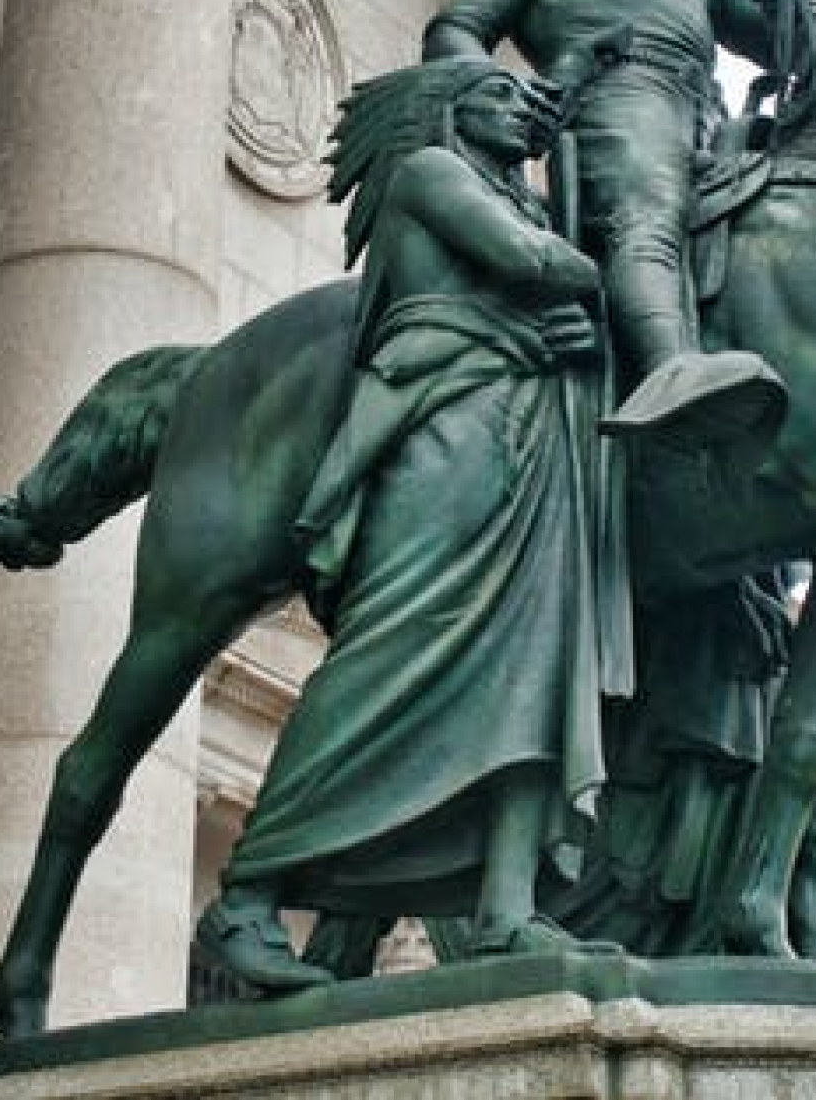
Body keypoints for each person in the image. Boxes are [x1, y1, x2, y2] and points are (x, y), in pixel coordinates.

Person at [199, 60, 627, 989]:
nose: (520, 110)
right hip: (444, 429)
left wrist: (568, 323)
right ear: (448, 111)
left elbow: (547, 280)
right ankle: (248, 895)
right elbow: (533, 263)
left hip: (529, 444)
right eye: (499, 96)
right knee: (386, 652)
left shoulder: (515, 195)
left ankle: (506, 907)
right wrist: (612, 260)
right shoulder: (431, 173)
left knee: (535, 673)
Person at [423, 0, 787, 447]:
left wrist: (790, 9)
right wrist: (505, 92)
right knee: (644, 218)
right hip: (615, 97)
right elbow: (455, 31)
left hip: (707, 111)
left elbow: (774, 46)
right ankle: (670, 368)